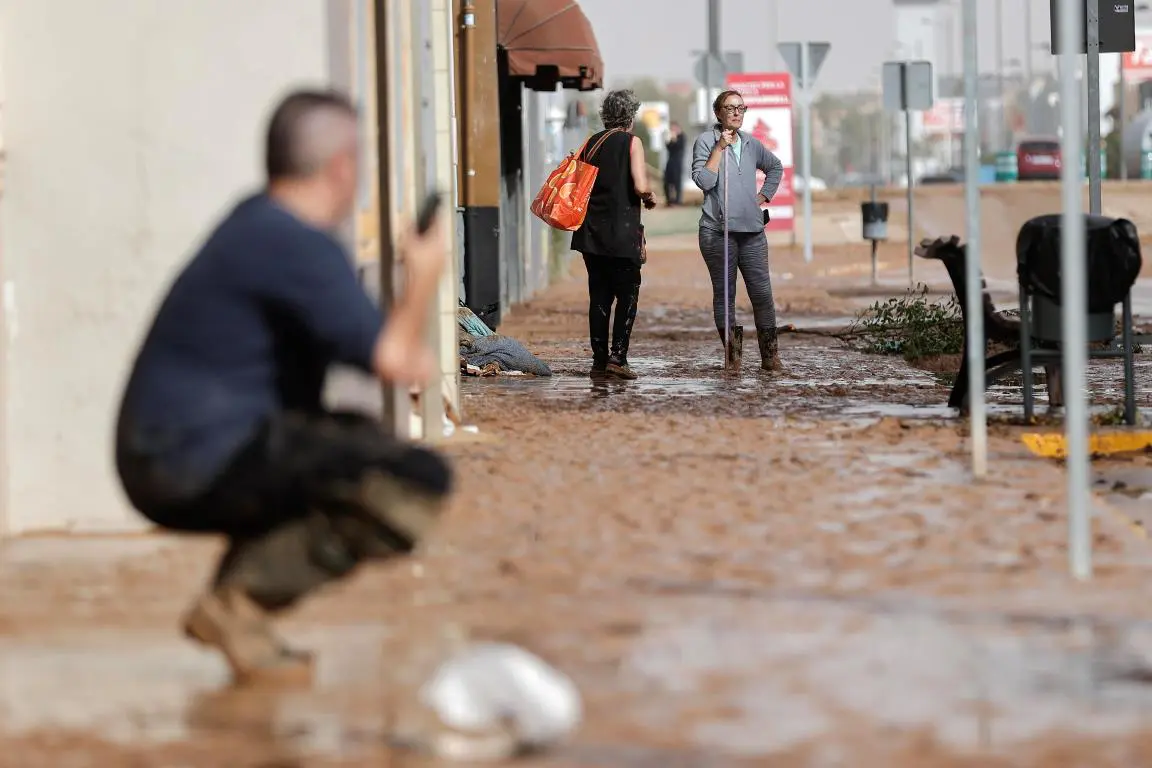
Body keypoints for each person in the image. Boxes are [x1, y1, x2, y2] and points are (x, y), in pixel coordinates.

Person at [114, 89, 451, 685]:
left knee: (347, 444)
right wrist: (424, 276)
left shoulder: (260, 226)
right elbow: (397, 361)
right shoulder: (292, 242)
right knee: (407, 480)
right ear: (342, 166)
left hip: (171, 452)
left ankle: (240, 621)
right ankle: (235, 605)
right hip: (190, 460)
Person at [691, 89, 785, 372]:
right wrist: (720, 148)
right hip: (718, 232)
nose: (736, 113)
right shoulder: (706, 141)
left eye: (741, 108)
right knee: (725, 295)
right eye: (730, 108)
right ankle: (733, 358)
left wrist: (762, 197)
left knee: (762, 294)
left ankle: (770, 357)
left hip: (753, 232)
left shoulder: (752, 144)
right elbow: (703, 181)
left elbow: (775, 167)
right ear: (718, 113)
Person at [570, 89, 656, 380]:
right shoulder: (632, 142)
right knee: (627, 294)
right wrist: (650, 196)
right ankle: (618, 358)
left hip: (591, 233)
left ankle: (598, 360)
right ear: (630, 116)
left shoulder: (591, 143)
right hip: (622, 233)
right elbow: (640, 185)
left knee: (599, 296)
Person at [663, 122, 686, 206]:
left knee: (677, 182)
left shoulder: (682, 136)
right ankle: (669, 200)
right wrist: (668, 140)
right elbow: (668, 147)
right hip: (670, 162)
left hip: (678, 162)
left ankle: (678, 201)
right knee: (667, 182)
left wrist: (674, 138)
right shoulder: (671, 137)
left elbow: (679, 146)